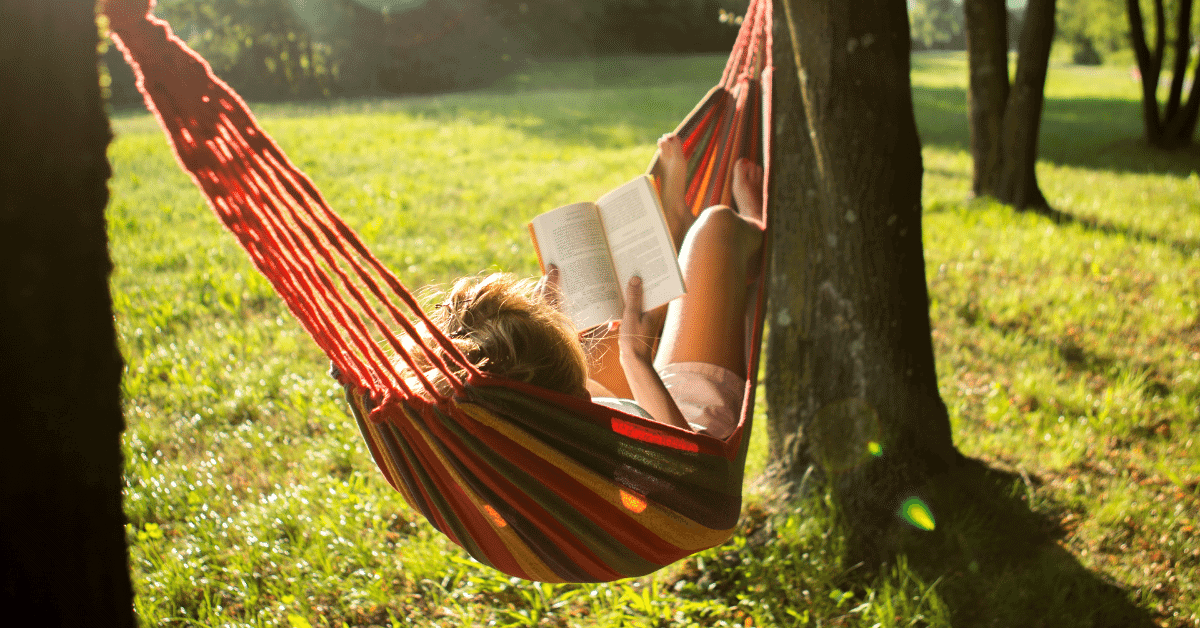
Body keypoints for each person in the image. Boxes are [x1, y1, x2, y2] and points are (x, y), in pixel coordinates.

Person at [419, 134, 764, 439]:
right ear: (579, 396)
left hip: (606, 410)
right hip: (685, 421)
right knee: (716, 226)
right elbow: (694, 476)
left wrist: (544, 329)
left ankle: (672, 234)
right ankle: (748, 229)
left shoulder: (488, 419)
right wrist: (635, 360)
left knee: (619, 308)